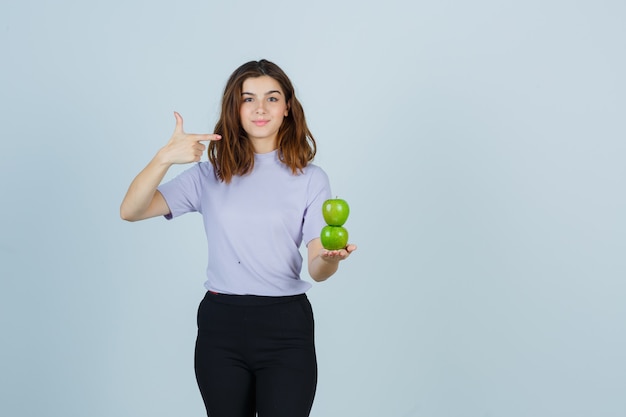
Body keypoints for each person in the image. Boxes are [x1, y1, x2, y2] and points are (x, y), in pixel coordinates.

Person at [120, 59, 357, 417]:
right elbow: (131, 210)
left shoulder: (311, 178)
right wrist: (164, 158)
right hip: (222, 326)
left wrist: (329, 257)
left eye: (272, 98)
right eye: (248, 99)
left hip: (286, 327)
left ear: (288, 107)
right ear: (235, 107)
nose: (260, 108)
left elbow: (317, 267)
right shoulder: (210, 175)